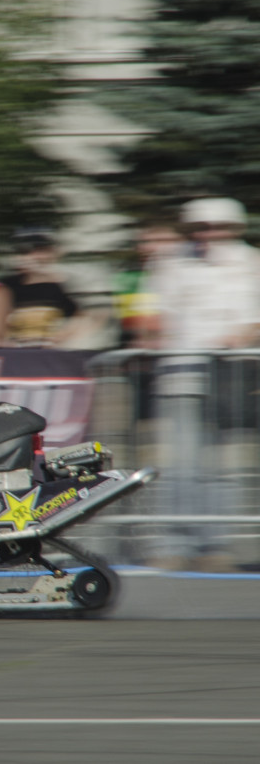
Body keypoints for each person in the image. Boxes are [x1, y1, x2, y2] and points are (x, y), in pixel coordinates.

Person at [143, 197, 260, 571]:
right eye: (201, 228)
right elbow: (151, 313)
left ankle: (214, 545)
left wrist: (241, 336)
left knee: (220, 467)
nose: (209, 235)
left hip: (231, 375)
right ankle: (173, 543)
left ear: (235, 229)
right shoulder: (169, 261)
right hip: (181, 374)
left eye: (218, 227)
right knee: (181, 464)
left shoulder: (252, 263)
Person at [0, 230, 82, 347]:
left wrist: (62, 336)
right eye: (24, 252)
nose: (33, 257)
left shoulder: (62, 286)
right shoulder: (6, 286)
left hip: (47, 352)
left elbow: (81, 317)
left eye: (41, 251)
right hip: (13, 352)